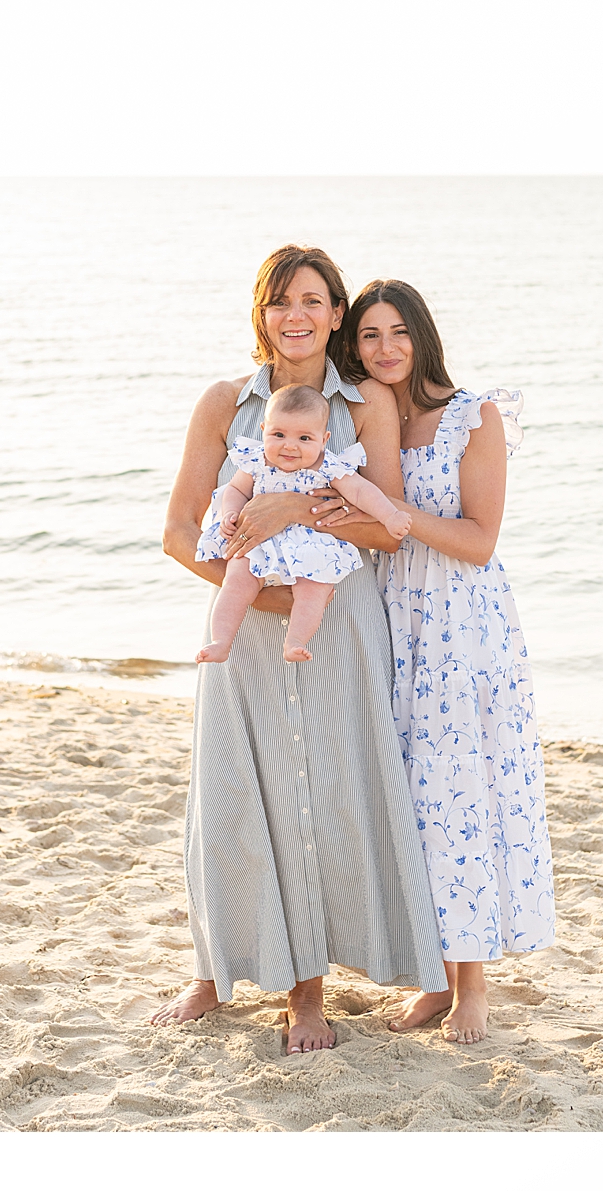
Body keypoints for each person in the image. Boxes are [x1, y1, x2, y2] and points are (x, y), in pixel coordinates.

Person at [152, 243, 449, 1050]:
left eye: (314, 301)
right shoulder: (223, 402)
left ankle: (308, 993)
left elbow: (387, 525)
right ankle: (214, 971)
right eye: (282, 301)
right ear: (262, 312)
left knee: (318, 799)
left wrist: (292, 514)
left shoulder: (367, 406)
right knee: (231, 794)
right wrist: (253, 590)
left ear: (337, 314)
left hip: (337, 630)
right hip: (242, 629)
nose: (297, 316)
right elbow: (179, 529)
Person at [344, 281, 556, 1044]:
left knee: (464, 791)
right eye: (369, 336)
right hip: (392, 619)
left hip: (464, 629)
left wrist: (394, 515)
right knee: (413, 798)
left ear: (423, 335)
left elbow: (478, 539)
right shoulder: (364, 420)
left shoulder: (475, 415)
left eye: (398, 331)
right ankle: (435, 977)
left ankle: (474, 987)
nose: (386, 348)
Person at [195, 385, 410, 665]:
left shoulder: (327, 466)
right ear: (263, 430)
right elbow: (235, 490)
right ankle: (221, 641)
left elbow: (362, 492)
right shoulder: (256, 460)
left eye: (304, 437)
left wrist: (390, 516)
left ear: (324, 440)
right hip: (260, 542)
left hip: (311, 543)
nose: (289, 445)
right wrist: (230, 514)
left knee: (314, 589)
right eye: (278, 434)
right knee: (235, 581)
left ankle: (295, 640)